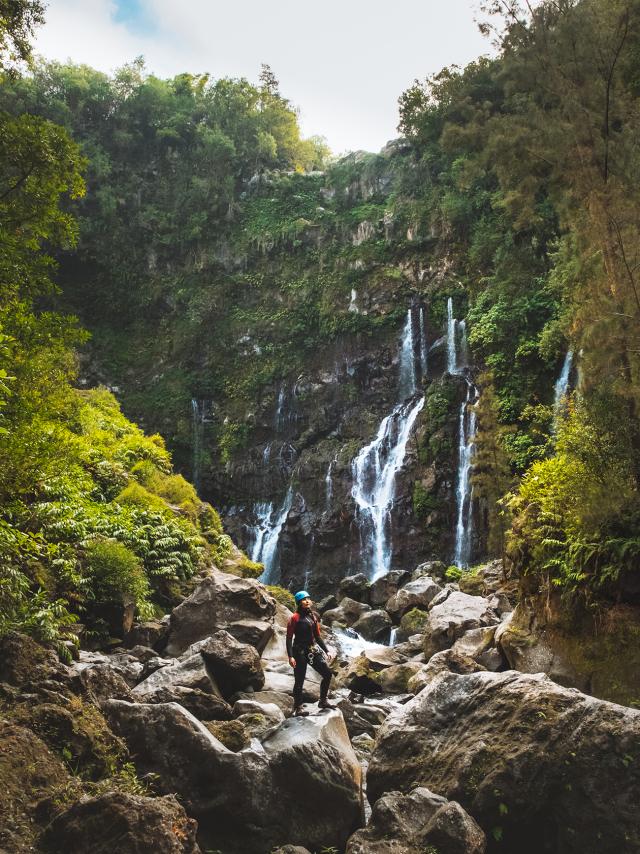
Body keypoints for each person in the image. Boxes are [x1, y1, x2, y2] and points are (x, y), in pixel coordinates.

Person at [286, 590, 335, 716]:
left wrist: (327, 650)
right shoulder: (294, 618)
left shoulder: (313, 616)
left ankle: (323, 701)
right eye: (304, 599)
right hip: (299, 651)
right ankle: (298, 708)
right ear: (299, 602)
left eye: (308, 598)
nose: (307, 601)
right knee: (299, 680)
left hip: (312, 649)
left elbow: (317, 636)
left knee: (327, 674)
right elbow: (289, 638)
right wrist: (290, 656)